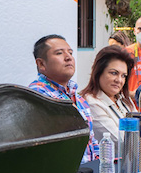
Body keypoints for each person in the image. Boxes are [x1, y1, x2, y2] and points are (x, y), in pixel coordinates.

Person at [29, 34, 98, 162]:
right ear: (41, 63)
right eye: (59, 53)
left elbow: (92, 143)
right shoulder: (38, 95)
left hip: (89, 172)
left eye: (70, 53)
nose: (68, 58)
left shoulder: (80, 100)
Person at [80, 45, 139, 140]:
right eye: (114, 73)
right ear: (99, 72)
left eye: (123, 76)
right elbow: (120, 140)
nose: (119, 80)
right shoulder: (92, 103)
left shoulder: (123, 99)